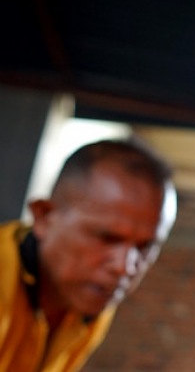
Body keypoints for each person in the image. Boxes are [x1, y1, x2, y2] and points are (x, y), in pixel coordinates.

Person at [0, 138, 176, 371]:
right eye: (106, 238)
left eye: (145, 247)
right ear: (44, 216)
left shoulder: (89, 305)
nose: (123, 267)